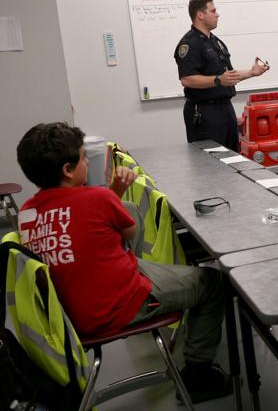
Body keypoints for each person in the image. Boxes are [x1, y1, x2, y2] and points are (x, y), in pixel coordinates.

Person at [16, 123, 231, 403]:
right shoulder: (98, 197)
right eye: (83, 157)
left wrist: (111, 195)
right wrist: (111, 194)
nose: (87, 162)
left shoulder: (26, 213)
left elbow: (83, 226)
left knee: (130, 223)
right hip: (118, 306)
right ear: (68, 170)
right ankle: (198, 374)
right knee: (211, 281)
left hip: (68, 314)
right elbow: (131, 233)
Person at [174, 0, 269, 151]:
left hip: (225, 108)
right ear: (200, 15)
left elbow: (227, 76)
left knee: (233, 157)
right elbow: (187, 79)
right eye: (213, 11)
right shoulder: (189, 44)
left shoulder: (216, 42)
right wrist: (218, 80)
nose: (217, 14)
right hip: (204, 111)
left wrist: (251, 72)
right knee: (211, 160)